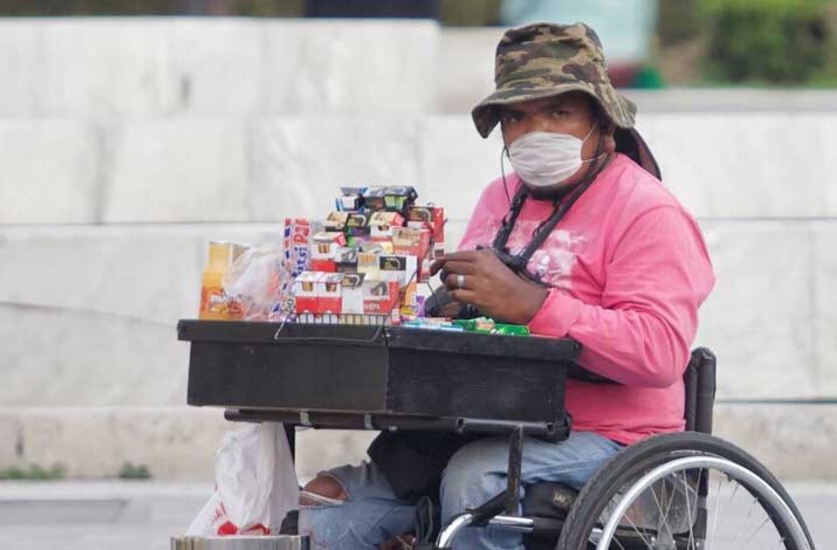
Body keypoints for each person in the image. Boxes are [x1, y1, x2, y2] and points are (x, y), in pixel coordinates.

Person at [297, 22, 716, 549]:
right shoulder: (499, 198)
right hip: (481, 422)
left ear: (602, 120)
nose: (536, 130)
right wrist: (443, 311)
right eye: (518, 116)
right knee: (330, 506)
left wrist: (535, 305)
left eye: (560, 112)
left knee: (478, 479)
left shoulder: (648, 211)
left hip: (609, 440)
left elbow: (658, 352)